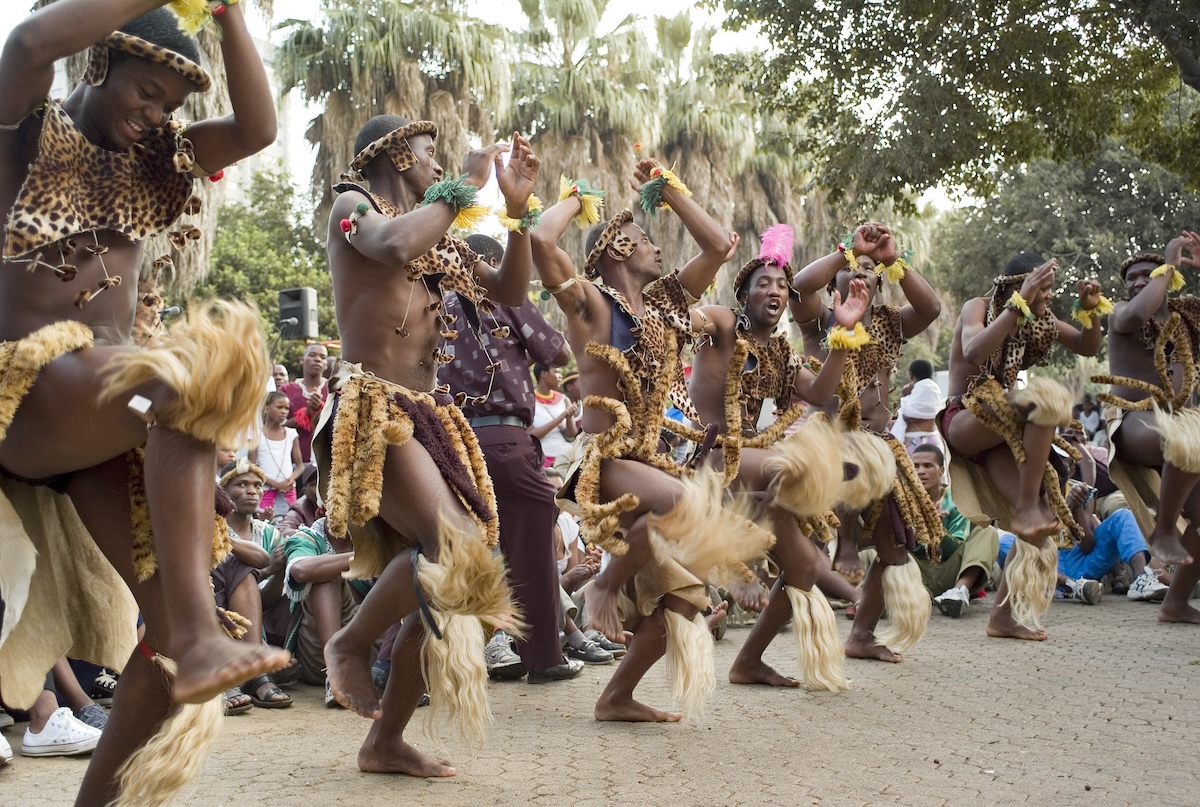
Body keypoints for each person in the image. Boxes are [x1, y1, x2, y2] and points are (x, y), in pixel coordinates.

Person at [0, 2, 286, 804]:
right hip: (24, 391)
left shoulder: (158, 162)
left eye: (169, 104)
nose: (154, 115)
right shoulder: (24, 132)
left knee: (160, 655)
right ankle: (199, 631)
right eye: (145, 92)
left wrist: (228, 15)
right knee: (187, 373)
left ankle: (178, 645)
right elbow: (26, 40)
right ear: (101, 64)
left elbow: (259, 130)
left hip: (103, 414)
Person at [313, 115, 538, 776]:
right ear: (391, 151)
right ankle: (350, 643)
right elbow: (388, 246)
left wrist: (518, 211)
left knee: (468, 583)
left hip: (428, 413)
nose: (436, 160)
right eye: (427, 149)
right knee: (453, 550)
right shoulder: (354, 208)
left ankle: (384, 740)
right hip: (374, 403)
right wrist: (463, 186)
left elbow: (512, 291)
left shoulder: (439, 234)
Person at [531, 161, 774, 723]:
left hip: (655, 462)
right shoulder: (591, 304)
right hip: (606, 460)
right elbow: (543, 239)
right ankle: (602, 587)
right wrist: (577, 198)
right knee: (686, 503)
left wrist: (668, 189)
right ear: (615, 246)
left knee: (682, 603)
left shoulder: (664, 306)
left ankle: (615, 697)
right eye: (642, 239)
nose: (657, 248)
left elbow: (718, 244)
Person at [686, 223, 868, 690]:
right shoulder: (722, 326)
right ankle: (739, 560)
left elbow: (824, 393)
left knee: (805, 567)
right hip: (709, 458)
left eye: (782, 286)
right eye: (763, 283)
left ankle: (748, 662)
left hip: (757, 465)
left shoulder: (784, 356)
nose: (776, 290)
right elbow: (687, 319)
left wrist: (843, 334)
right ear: (743, 295)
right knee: (795, 465)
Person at [790, 223, 944, 663]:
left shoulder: (892, 325)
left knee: (895, 550)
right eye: (851, 270)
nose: (860, 274)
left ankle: (860, 635)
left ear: (880, 285)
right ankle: (847, 544)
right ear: (836, 278)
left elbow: (930, 307)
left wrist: (892, 259)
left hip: (881, 445)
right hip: (830, 443)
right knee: (813, 548)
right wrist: (849, 251)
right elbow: (800, 286)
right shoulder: (821, 320)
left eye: (870, 272)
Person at [439, 233, 583, 684]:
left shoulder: (433, 302)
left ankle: (405, 662)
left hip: (451, 443)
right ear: (495, 264)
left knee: (455, 551)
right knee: (532, 548)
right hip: (505, 442)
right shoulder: (504, 297)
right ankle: (542, 657)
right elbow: (558, 352)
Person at [940, 253, 1105, 641]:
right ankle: (1028, 508)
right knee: (1045, 398)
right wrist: (1021, 301)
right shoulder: (979, 307)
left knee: (1041, 527)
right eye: (1042, 290)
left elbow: (1086, 345)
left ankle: (1003, 618)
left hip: (1001, 437)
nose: (1047, 298)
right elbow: (975, 352)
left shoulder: (1039, 320)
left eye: (1049, 291)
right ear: (1017, 285)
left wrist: (1091, 311)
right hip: (966, 419)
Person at [1091, 236, 1200, 623]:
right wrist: (1166, 267)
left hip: (1182, 424)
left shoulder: (1186, 318)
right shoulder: (1122, 314)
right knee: (1185, 437)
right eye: (1131, 278)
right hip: (1134, 417)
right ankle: (1164, 531)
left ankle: (1175, 603)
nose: (1138, 282)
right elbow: (1138, 315)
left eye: (1145, 275)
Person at [217, 460, 291, 709]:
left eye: (258, 485)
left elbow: (269, 601)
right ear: (222, 491)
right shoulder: (212, 527)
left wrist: (279, 573)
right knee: (241, 564)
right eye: (242, 484)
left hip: (260, 621)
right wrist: (268, 569)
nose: (252, 491)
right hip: (220, 614)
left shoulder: (269, 534)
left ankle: (255, 667)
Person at [908, 444, 999, 617]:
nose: (920, 471)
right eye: (915, 466)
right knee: (876, 547)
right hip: (916, 573)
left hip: (950, 571)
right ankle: (886, 596)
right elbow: (899, 548)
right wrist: (919, 529)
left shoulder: (956, 499)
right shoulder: (902, 500)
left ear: (942, 470)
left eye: (927, 466)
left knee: (987, 532)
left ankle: (958, 593)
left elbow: (953, 548)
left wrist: (937, 529)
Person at [279, 343, 328, 465]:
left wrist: (322, 409)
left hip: (327, 463)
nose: (317, 359)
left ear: (326, 365)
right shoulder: (286, 390)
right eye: (312, 355)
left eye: (322, 357)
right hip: (294, 464)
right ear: (302, 360)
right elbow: (278, 427)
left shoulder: (335, 390)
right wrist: (307, 413)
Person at [891, 359, 946, 455]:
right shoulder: (934, 388)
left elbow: (908, 414)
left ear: (911, 376)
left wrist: (904, 397)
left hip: (915, 441)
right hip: (934, 439)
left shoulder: (924, 388)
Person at [530, 364, 579, 466]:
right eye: (556, 372)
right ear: (544, 374)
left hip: (566, 455)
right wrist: (560, 418)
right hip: (543, 458)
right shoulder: (529, 400)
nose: (560, 376)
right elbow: (531, 435)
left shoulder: (564, 399)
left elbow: (571, 433)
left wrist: (569, 417)